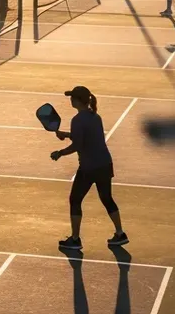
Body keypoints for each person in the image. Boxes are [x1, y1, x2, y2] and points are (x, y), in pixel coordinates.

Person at [49, 86, 127, 249]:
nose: (70, 100)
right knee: (107, 199)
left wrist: (60, 153)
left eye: (72, 97)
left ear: (78, 101)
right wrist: (67, 134)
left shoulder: (77, 120)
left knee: (75, 200)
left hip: (89, 168)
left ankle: (75, 239)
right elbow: (87, 137)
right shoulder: (94, 116)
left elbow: (78, 144)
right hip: (105, 164)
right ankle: (120, 234)